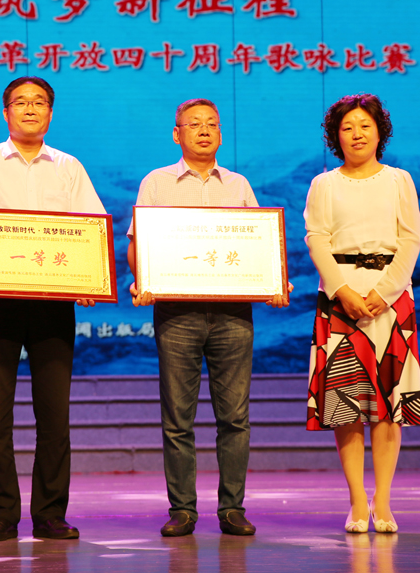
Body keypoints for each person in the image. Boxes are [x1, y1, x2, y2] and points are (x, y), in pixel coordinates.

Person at [127, 98, 291, 537]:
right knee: (177, 420)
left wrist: (274, 281)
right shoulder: (156, 183)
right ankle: (182, 510)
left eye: (212, 124)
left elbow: (260, 246)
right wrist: (143, 280)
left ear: (220, 133)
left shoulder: (238, 185)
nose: (204, 130)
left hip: (232, 315)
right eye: (194, 124)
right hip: (176, 314)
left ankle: (232, 509)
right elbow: (137, 244)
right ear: (176, 134)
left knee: (234, 418)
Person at [0, 76, 105, 542]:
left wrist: (88, 279)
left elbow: (89, 228)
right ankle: (1, 515)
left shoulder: (69, 167)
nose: (31, 109)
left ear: (51, 114)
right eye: (21, 102)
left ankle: (50, 515)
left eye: (40, 102)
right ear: (6, 113)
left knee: (54, 416)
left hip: (52, 305)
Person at [303, 93, 420, 534]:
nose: (356, 134)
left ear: (380, 133)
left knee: (389, 406)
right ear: (335, 136)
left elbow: (409, 239)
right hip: (339, 301)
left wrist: (384, 292)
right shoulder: (324, 184)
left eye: (365, 126)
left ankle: (384, 501)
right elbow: (316, 237)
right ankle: (358, 499)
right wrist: (342, 290)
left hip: (391, 301)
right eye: (347, 127)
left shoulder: (399, 180)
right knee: (346, 405)